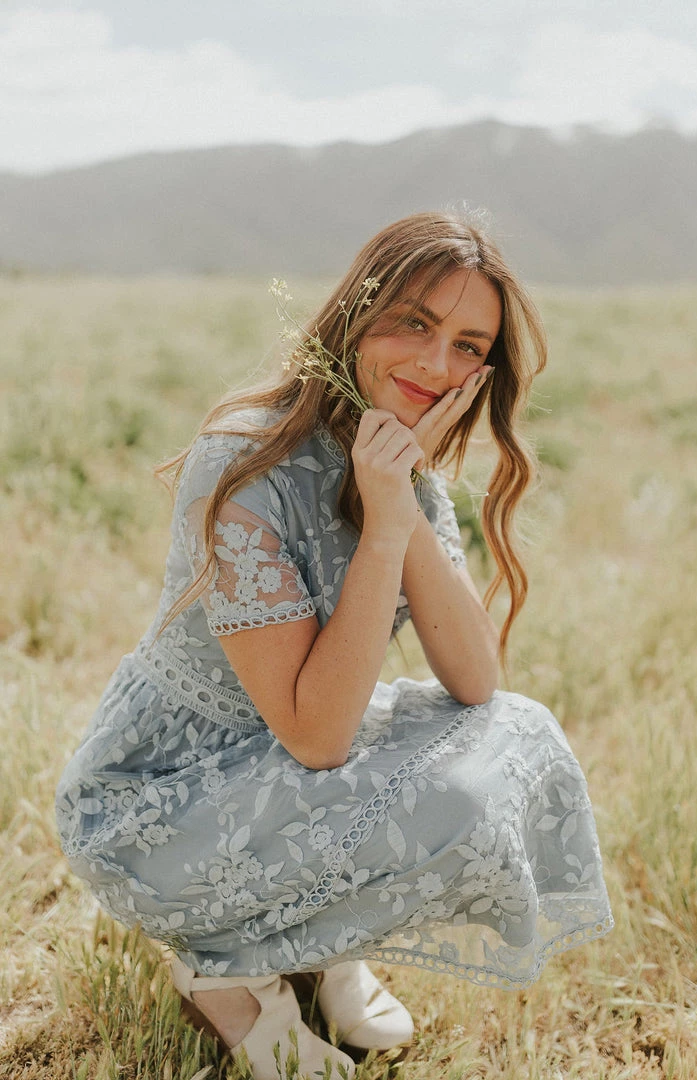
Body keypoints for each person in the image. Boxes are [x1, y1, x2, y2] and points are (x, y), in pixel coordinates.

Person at [56, 211, 613, 1079]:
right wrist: (384, 524)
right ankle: (228, 974)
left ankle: (318, 944)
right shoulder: (243, 462)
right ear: (358, 312)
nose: (436, 364)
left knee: (517, 736)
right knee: (440, 791)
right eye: (414, 324)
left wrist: (403, 494)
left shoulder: (398, 463)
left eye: (468, 346)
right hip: (165, 798)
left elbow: (475, 678)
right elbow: (316, 735)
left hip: (287, 764)